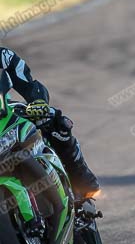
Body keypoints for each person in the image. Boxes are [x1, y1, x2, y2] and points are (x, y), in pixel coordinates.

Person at [0, 48, 100, 202]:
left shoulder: (4, 55)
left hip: (4, 112)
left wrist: (37, 100)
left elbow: (22, 75)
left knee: (52, 120)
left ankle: (79, 177)